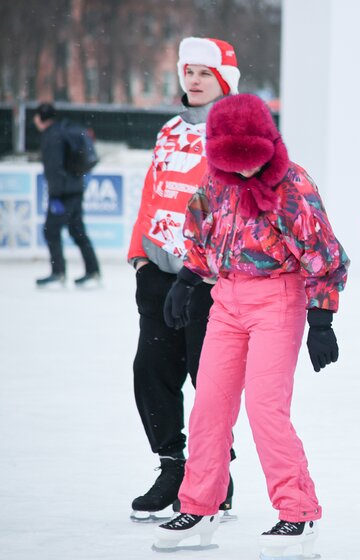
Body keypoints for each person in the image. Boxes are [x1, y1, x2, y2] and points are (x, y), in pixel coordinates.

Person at [153, 93, 349, 556]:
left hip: (278, 301)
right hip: (226, 301)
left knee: (265, 409)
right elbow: (201, 233)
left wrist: (322, 318)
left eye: (249, 162)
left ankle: (297, 514)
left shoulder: (292, 183)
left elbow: (325, 254)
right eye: (232, 162)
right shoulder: (215, 181)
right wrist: (186, 279)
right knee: (208, 410)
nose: (242, 172)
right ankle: (200, 506)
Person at [127, 36, 241, 521]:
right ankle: (173, 464)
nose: (193, 80)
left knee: (207, 379)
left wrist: (206, 273)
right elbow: (151, 198)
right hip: (157, 276)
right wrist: (140, 259)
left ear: (222, 81)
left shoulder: (237, 132)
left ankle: (214, 472)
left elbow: (238, 210)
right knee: (151, 371)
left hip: (206, 282)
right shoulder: (169, 131)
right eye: (188, 71)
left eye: (203, 72)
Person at [33, 102, 101, 288]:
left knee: (51, 231)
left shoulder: (52, 136)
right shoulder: (65, 130)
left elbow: (55, 169)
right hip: (75, 188)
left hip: (63, 193)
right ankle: (93, 272)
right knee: (77, 230)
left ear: (41, 118)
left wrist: (55, 196)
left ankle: (58, 274)